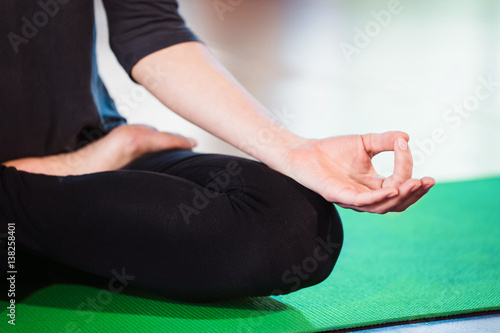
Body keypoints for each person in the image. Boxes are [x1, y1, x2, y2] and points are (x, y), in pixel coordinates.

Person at [0, 0, 434, 302]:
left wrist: (292, 149)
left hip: (94, 140)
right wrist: (72, 167)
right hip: (48, 171)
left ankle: (38, 249)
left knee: (295, 224)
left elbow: (148, 27)